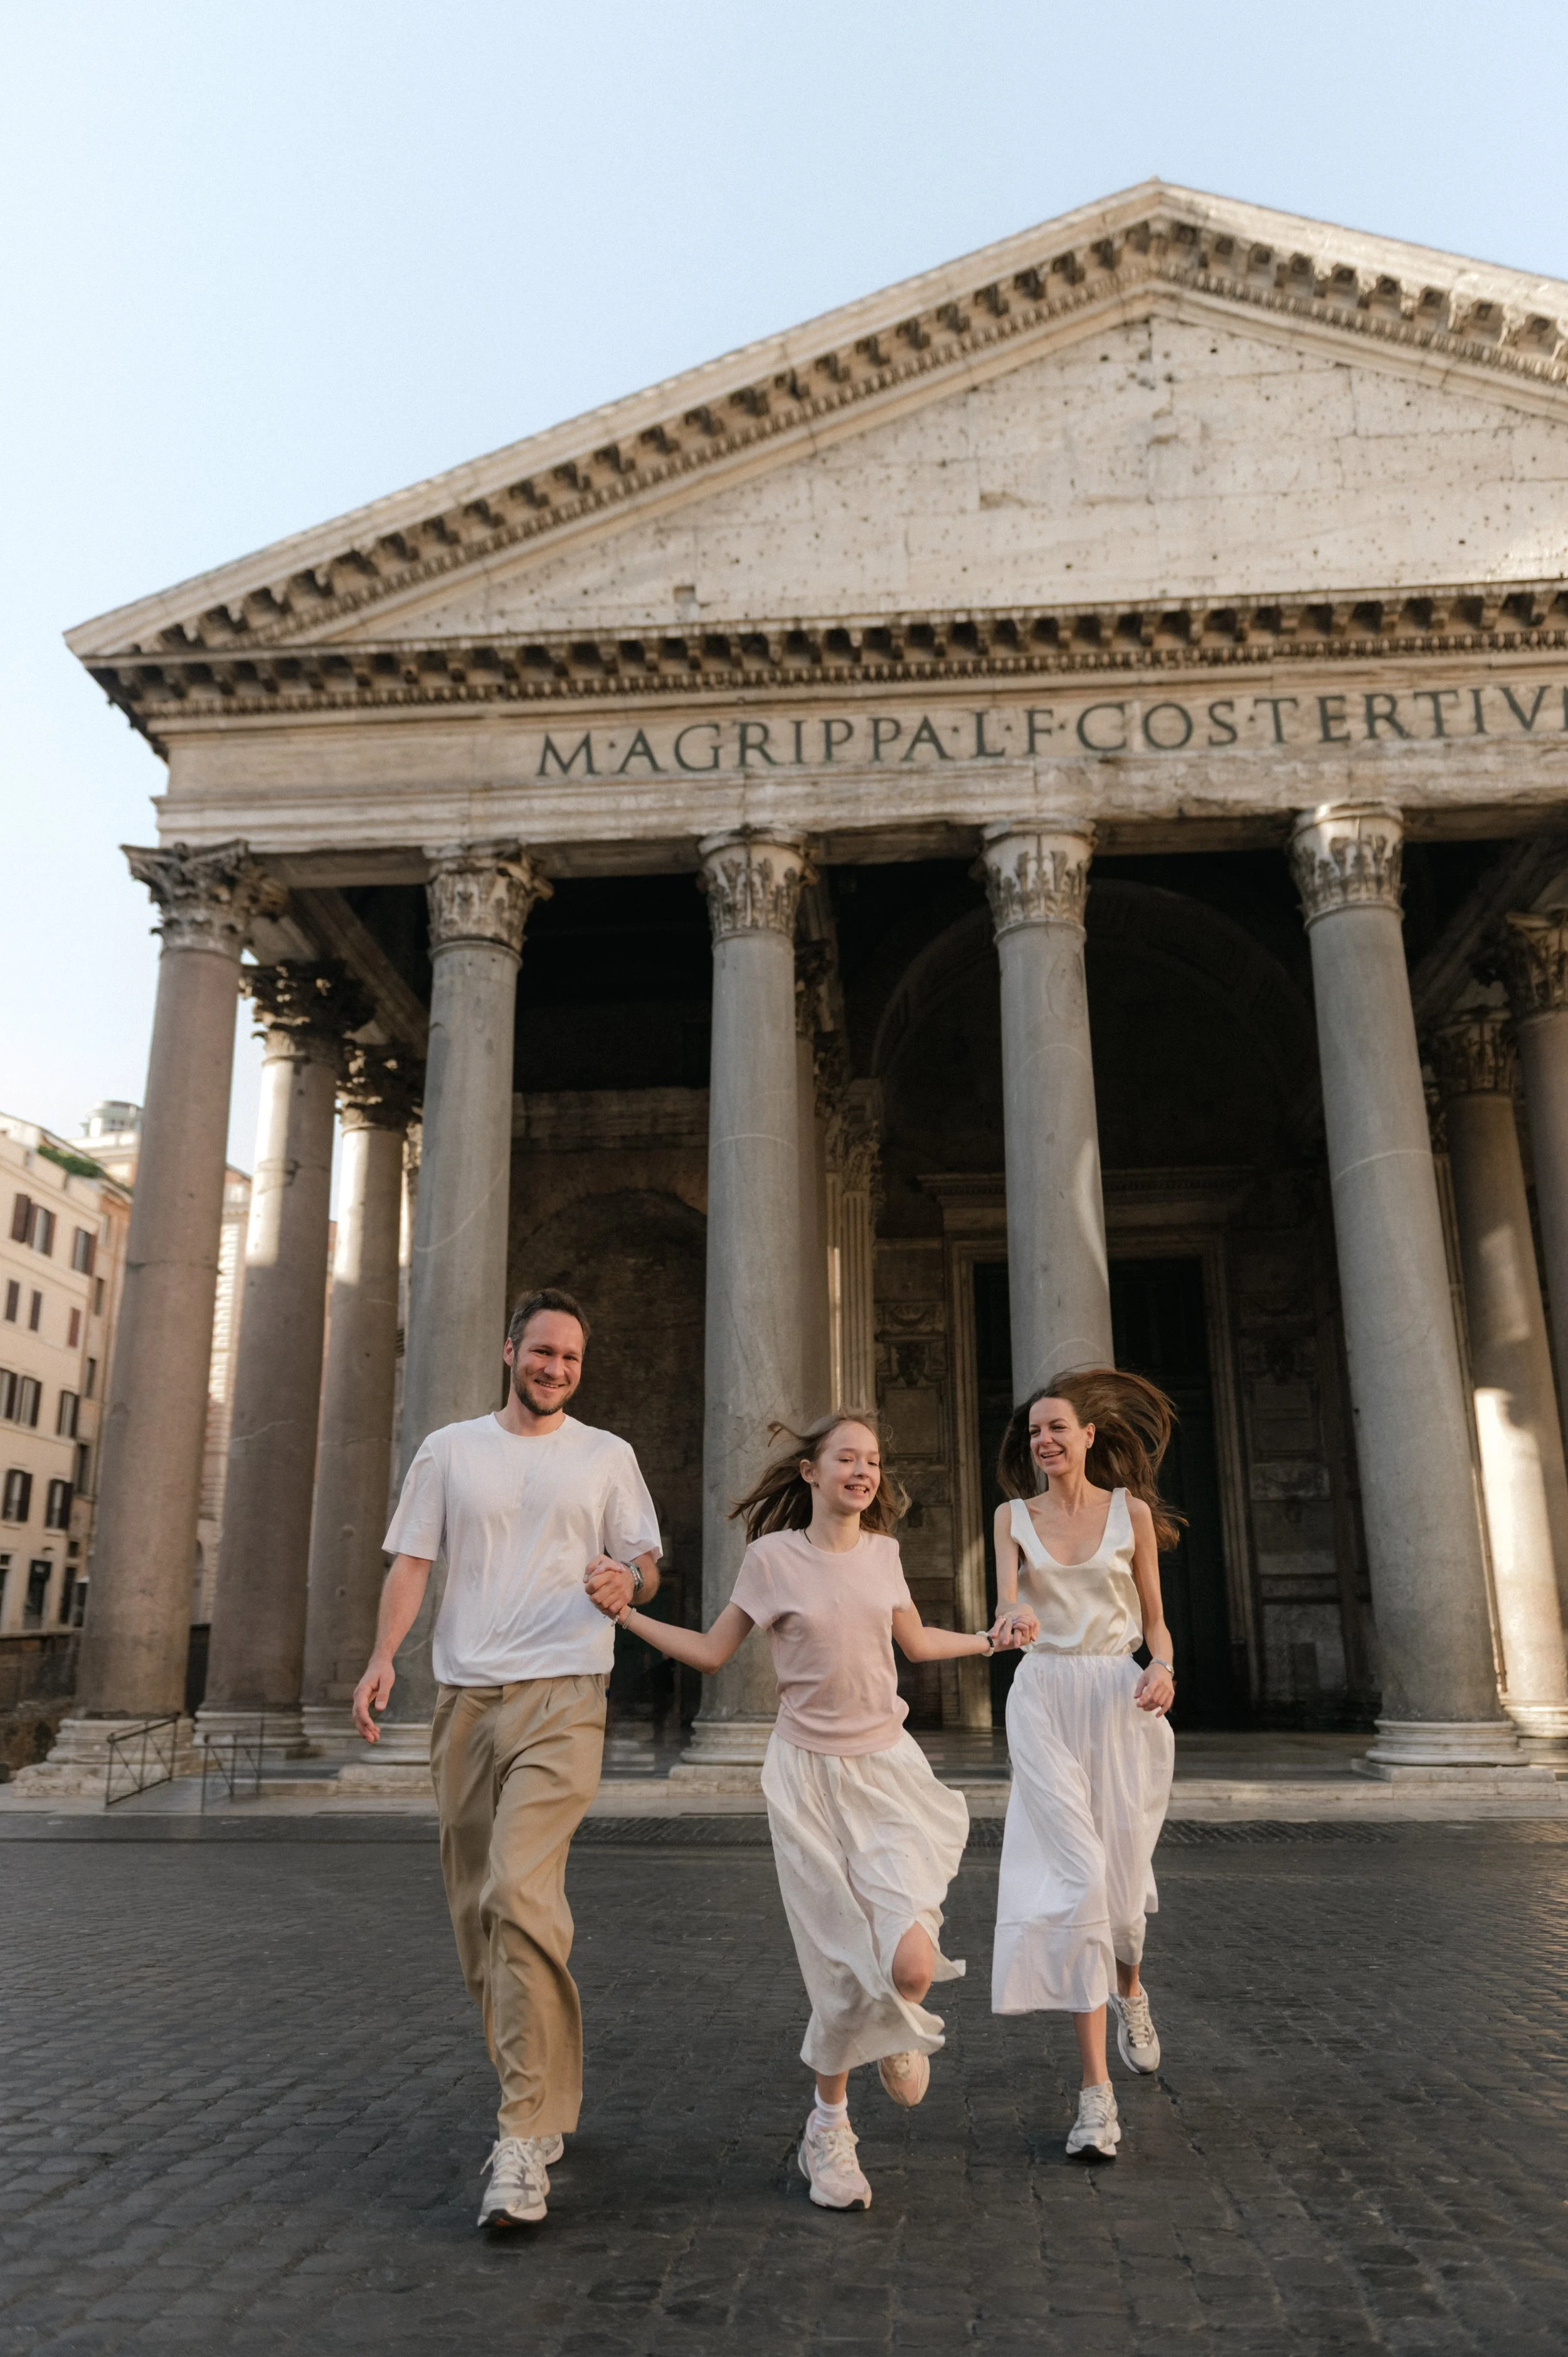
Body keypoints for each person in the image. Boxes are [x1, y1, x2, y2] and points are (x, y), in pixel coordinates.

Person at [590, 1409, 1022, 2212]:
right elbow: (715, 1651)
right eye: (846, 1457)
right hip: (806, 1781)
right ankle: (829, 2127)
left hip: (887, 1772)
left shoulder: (886, 1554)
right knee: (836, 1967)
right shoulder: (771, 1559)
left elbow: (918, 1643)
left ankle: (896, 2017)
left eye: (873, 1459)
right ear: (811, 1473)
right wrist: (627, 1616)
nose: (863, 1470)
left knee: (910, 1966)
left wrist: (994, 1641)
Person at [352, 1287, 662, 2232]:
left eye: (570, 1357)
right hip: (464, 1702)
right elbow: (412, 1563)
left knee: (521, 1892)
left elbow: (645, 1562)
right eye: (542, 1352)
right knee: (478, 1912)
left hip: (565, 1695)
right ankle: (542, 2078)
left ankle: (523, 2133)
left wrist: (627, 1578)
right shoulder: (449, 1449)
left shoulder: (608, 1457)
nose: (555, 1368)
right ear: (509, 1351)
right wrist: (379, 1659)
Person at [988, 1370, 1179, 2163]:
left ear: (1089, 1435)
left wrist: (1163, 1669)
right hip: (1042, 1698)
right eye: (1035, 1431)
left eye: (1058, 1427)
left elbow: (1157, 1627)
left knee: (1124, 1899)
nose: (1045, 1441)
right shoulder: (1009, 1518)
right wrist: (1010, 1622)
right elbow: (1007, 1610)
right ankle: (1094, 2097)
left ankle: (1129, 1986)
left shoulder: (1128, 1512)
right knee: (1077, 1880)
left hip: (1117, 1696)